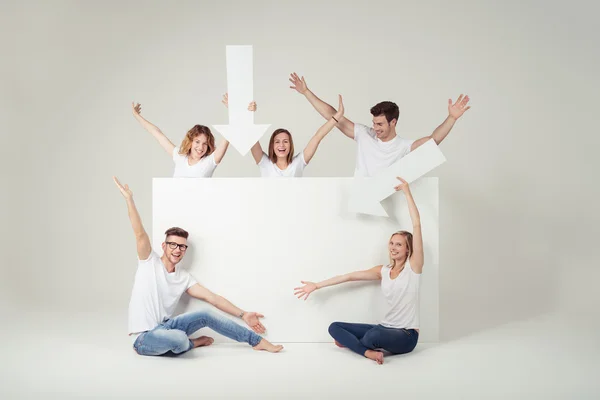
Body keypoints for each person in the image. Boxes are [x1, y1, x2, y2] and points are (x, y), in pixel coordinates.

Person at [113, 176, 283, 356]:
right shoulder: (149, 262)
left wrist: (243, 314)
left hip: (166, 327)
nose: (177, 250)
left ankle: (257, 341)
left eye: (181, 246)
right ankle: (191, 343)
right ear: (164, 246)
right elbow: (140, 234)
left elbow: (213, 298)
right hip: (144, 339)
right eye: (172, 245)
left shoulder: (183, 277)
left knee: (206, 314)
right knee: (178, 338)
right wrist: (129, 200)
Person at [294, 177, 423, 364]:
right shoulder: (383, 271)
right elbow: (350, 276)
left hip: (406, 336)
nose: (393, 247)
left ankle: (359, 347)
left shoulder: (414, 267)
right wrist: (317, 285)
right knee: (335, 327)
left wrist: (406, 191)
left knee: (373, 336)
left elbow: (417, 224)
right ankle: (367, 351)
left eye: (399, 244)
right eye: (391, 243)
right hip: (384, 327)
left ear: (408, 249)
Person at [289, 72, 471, 177]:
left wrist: (452, 118)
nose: (375, 128)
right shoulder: (364, 134)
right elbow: (332, 116)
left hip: (387, 205)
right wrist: (306, 92)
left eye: (380, 124)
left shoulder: (403, 146)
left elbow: (434, 140)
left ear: (393, 122)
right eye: (374, 123)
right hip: (359, 200)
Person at [131, 97, 256, 177]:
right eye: (197, 141)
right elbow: (157, 133)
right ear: (190, 142)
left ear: (209, 146)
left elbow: (229, 134)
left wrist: (238, 112)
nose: (200, 147)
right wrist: (136, 116)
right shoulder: (179, 157)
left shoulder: (209, 162)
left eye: (205, 143)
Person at [247, 95, 345, 177]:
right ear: (272, 146)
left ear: (290, 145)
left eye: (285, 141)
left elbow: (317, 137)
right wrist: (249, 113)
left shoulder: (298, 163)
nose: (281, 145)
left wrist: (337, 116)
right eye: (277, 142)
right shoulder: (264, 163)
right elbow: (250, 136)